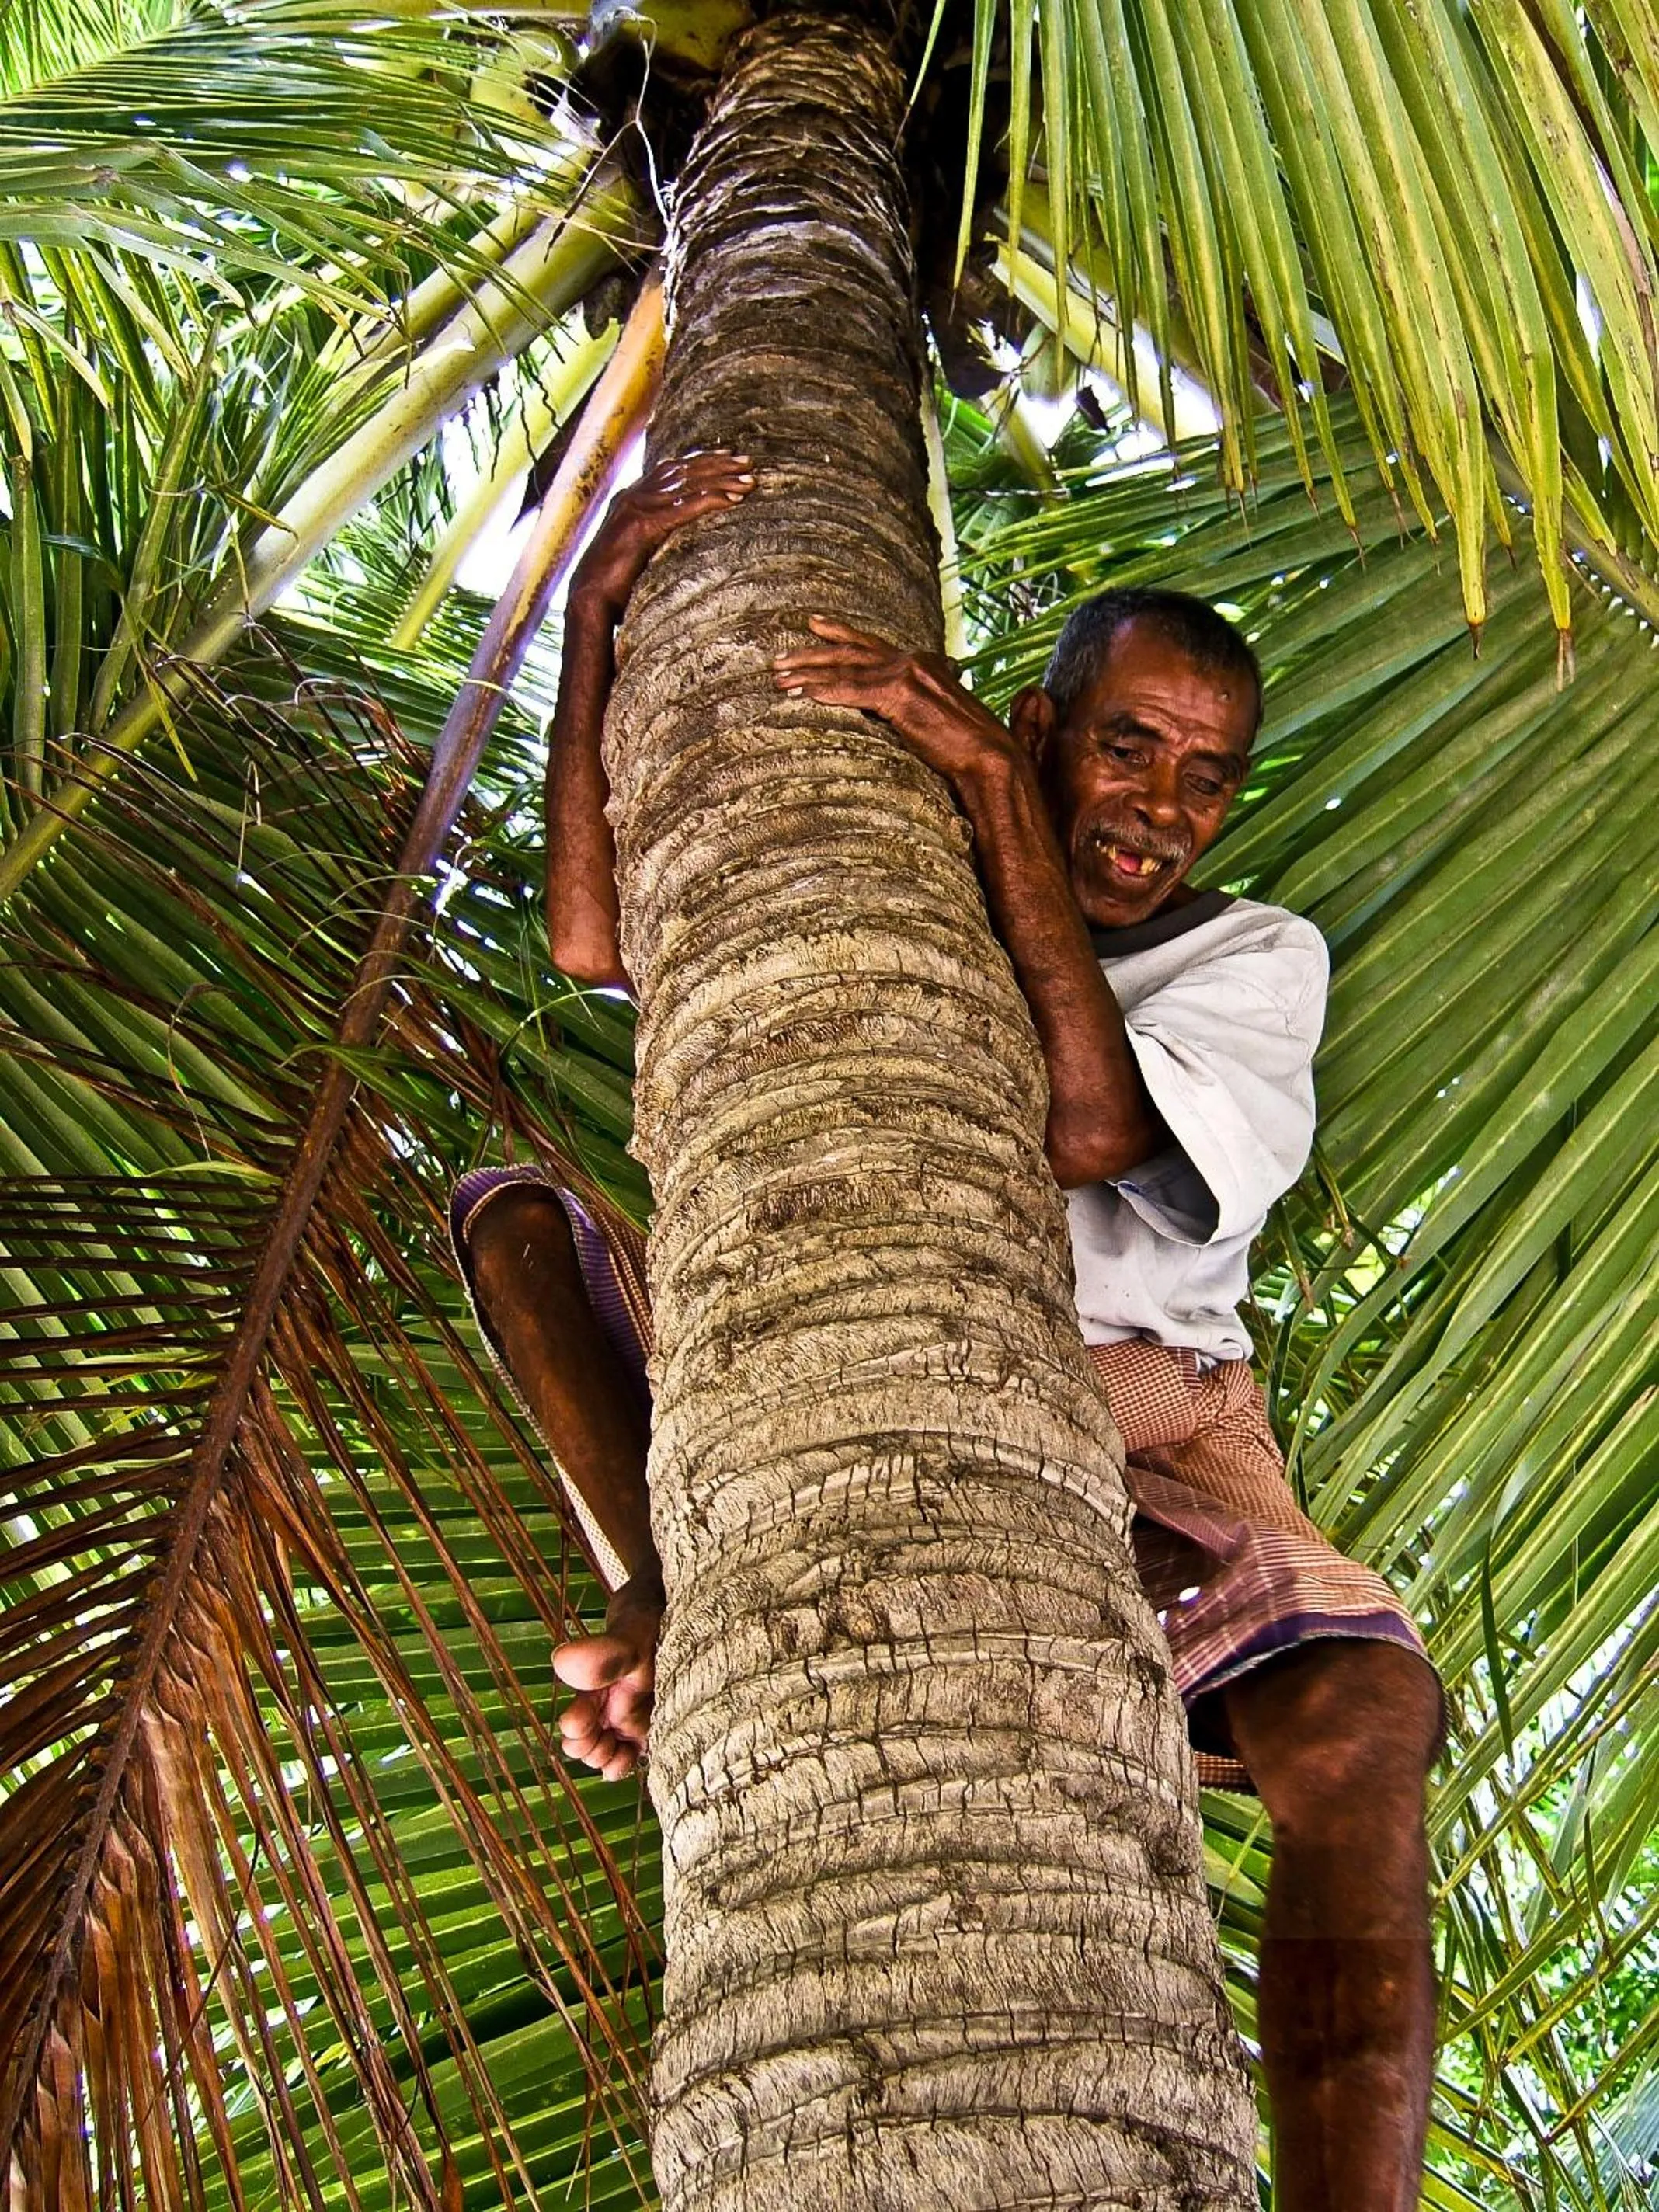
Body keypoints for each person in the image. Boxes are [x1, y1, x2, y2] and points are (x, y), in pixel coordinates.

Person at [450, 449, 1445, 2212]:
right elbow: (597, 932)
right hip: (826, 1361)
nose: (1161, 809)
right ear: (1042, 719)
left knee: (1364, 1710)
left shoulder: (1254, 954)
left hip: (1150, 1401)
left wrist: (993, 790)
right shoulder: (889, 848)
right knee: (516, 1221)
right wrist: (596, 610)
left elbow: (1092, 1128)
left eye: (1207, 776)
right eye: (1125, 747)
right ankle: (670, 1585)